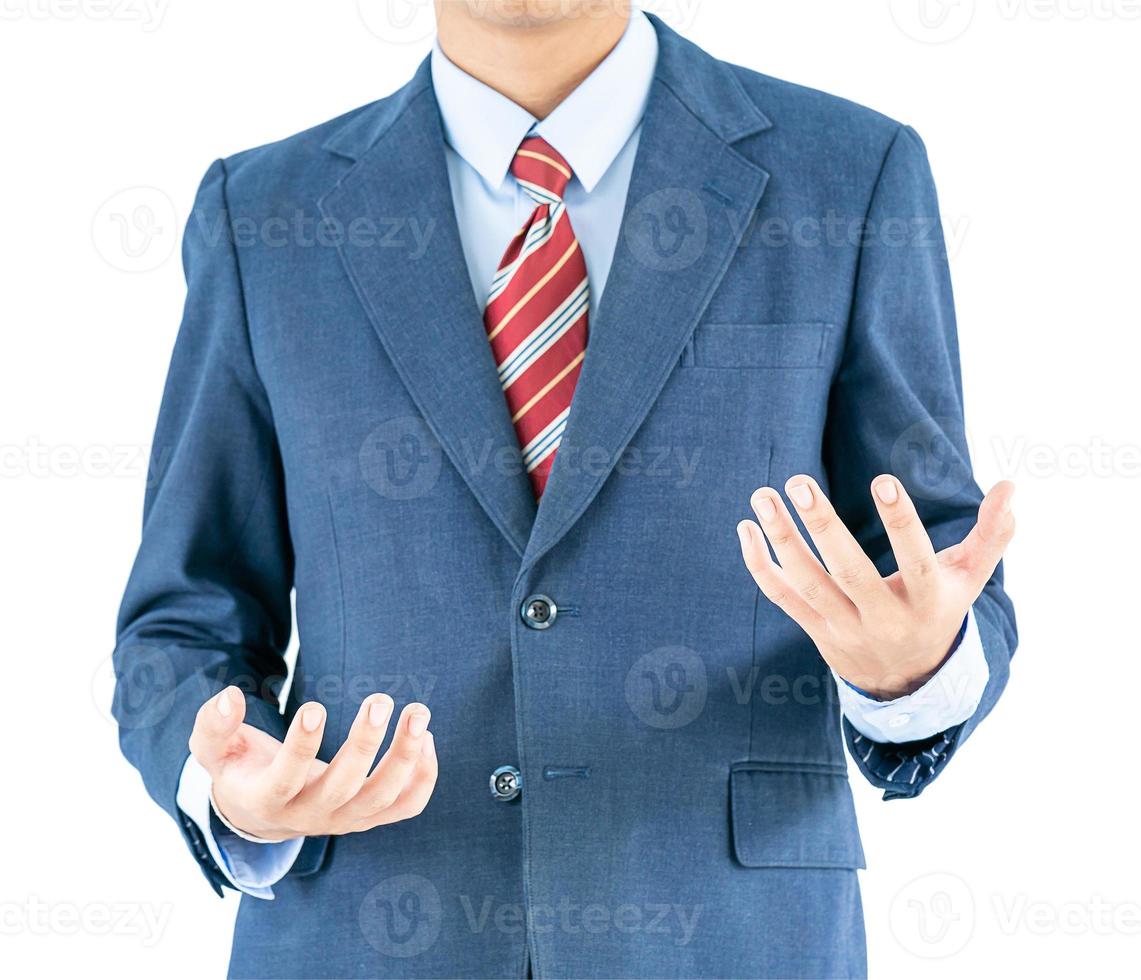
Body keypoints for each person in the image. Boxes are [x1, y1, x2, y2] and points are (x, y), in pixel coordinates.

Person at [113, 2, 1017, 976]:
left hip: (730, 940)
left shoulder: (849, 172)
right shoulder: (262, 215)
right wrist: (230, 778)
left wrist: (913, 667)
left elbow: (936, 560)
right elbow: (183, 617)